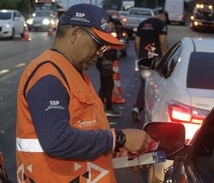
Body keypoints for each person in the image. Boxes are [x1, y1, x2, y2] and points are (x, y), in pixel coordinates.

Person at [16, 4, 152, 183]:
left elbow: (86, 130)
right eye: (99, 45)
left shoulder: (73, 72)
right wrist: (119, 139)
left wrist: (119, 151)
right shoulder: (48, 75)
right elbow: (57, 140)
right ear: (75, 34)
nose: (100, 53)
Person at [132, 8, 169, 121]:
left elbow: (137, 42)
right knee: (158, 85)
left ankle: (137, 107)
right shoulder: (161, 24)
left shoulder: (142, 24)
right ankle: (154, 112)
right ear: (163, 15)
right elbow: (162, 41)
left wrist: (140, 56)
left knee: (144, 84)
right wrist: (165, 57)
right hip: (156, 60)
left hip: (143, 60)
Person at [96, 17, 122, 117]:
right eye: (112, 24)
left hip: (105, 62)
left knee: (104, 86)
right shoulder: (104, 34)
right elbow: (102, 48)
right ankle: (108, 108)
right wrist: (112, 45)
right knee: (108, 85)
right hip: (105, 62)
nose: (113, 26)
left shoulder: (104, 33)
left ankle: (100, 107)